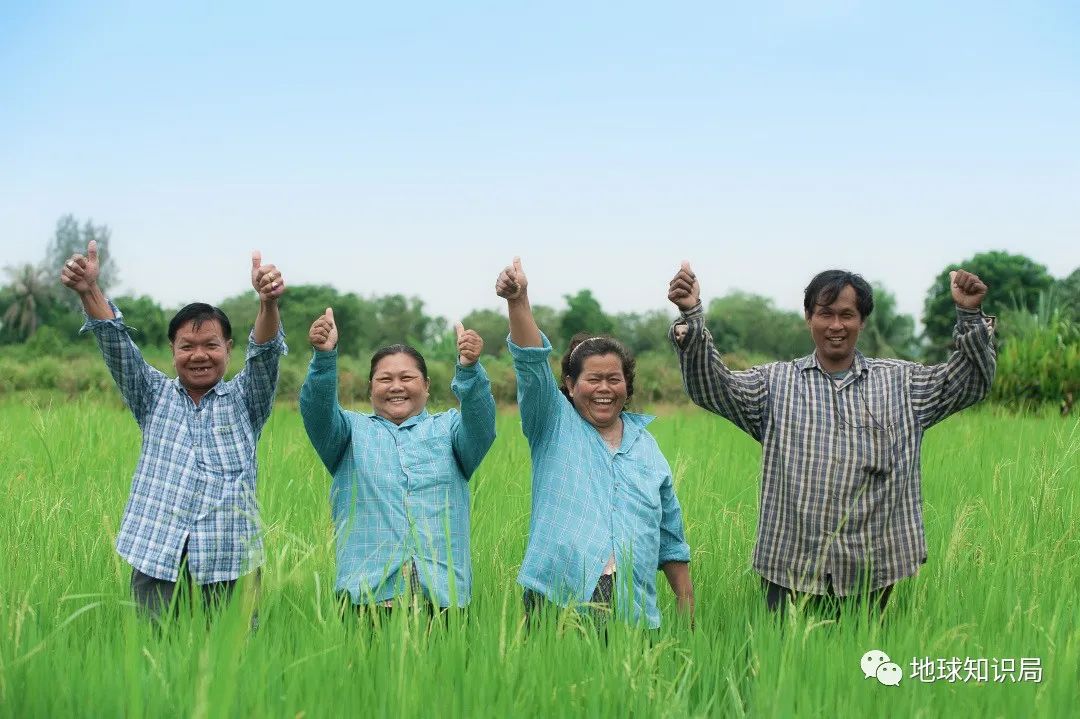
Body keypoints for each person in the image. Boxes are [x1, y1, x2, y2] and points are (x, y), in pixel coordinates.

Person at [667, 263, 995, 617]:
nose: (836, 325)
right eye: (825, 313)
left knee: (864, 652)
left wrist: (969, 314)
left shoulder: (903, 384)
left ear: (862, 321)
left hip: (872, 572)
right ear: (809, 317)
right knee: (783, 653)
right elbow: (712, 387)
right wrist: (692, 313)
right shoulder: (774, 385)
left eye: (847, 315)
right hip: (787, 567)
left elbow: (969, 383)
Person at [61, 241, 287, 621]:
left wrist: (268, 303)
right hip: (158, 553)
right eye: (187, 346)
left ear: (228, 348)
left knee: (235, 655)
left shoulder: (246, 400)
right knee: (155, 650)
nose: (199, 355)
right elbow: (116, 343)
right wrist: (89, 290)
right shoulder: (152, 394)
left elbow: (264, 354)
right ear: (173, 350)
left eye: (210, 345)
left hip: (230, 559)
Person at [496, 257, 693, 630]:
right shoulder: (552, 422)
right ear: (571, 386)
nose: (605, 388)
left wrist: (686, 602)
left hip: (632, 606)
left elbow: (670, 534)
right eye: (593, 379)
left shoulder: (646, 448)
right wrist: (518, 301)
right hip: (557, 596)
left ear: (627, 385)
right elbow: (530, 363)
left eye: (614, 379)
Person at [299, 308, 496, 616]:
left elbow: (481, 424)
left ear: (426, 386)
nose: (396, 386)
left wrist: (469, 370)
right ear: (371, 388)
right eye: (384, 379)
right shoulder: (348, 432)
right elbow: (317, 410)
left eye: (407, 378)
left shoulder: (449, 429)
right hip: (366, 598)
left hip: (443, 599)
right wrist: (324, 359)